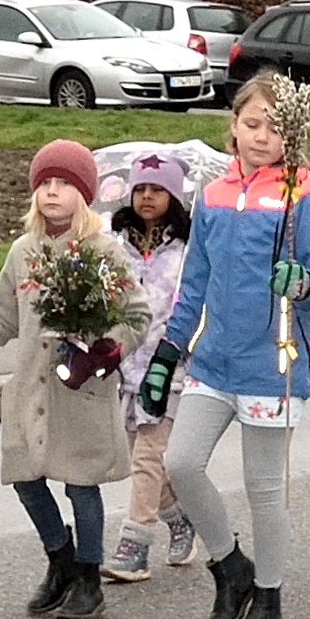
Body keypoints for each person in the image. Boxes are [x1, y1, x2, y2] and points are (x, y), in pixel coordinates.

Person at [148, 74, 310, 619]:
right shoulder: (211, 195)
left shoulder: (303, 195)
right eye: (252, 123)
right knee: (181, 466)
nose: (262, 136)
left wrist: (304, 281)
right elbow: (196, 282)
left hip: (271, 367)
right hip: (213, 363)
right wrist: (166, 354)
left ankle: (270, 600)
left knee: (264, 490)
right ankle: (230, 568)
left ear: (293, 134)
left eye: (275, 127)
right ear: (233, 126)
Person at [0, 139, 135, 619]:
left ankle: (89, 573)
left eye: (63, 184)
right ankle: (59, 557)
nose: (52, 192)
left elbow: (137, 314)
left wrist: (109, 348)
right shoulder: (24, 251)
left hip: (80, 388)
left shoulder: (104, 251)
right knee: (25, 477)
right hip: (31, 388)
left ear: (84, 195)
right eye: (45, 183)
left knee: (80, 485)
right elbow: (3, 315)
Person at [102, 153, 198, 584]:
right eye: (140, 188)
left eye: (157, 189)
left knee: (149, 455)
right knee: (131, 456)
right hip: (124, 368)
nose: (146, 197)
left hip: (169, 367)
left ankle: (134, 544)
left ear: (173, 196)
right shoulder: (115, 244)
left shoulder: (189, 249)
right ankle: (180, 517)